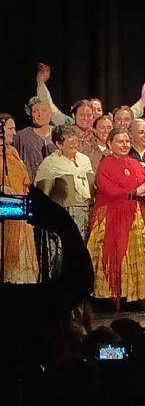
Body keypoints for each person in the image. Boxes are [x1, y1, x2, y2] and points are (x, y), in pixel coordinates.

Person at [87, 126, 145, 304]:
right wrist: (134, 192)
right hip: (113, 218)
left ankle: (138, 294)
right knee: (116, 255)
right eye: (120, 142)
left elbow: (144, 180)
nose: (124, 145)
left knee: (142, 253)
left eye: (127, 141)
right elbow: (107, 190)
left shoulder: (134, 163)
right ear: (109, 143)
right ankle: (113, 294)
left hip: (136, 216)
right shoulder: (105, 164)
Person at [33, 125, 95, 278]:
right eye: (69, 141)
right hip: (63, 217)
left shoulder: (84, 160)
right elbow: (42, 196)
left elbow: (92, 189)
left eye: (75, 139)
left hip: (85, 216)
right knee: (63, 260)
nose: (74, 143)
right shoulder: (50, 164)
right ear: (59, 144)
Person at [2, 113, 39, 284]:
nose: (14, 132)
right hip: (4, 207)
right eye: (10, 128)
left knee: (20, 248)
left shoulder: (13, 152)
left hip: (19, 206)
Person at [13, 97, 56, 182]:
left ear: (51, 112)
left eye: (44, 110)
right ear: (30, 114)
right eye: (35, 111)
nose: (40, 115)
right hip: (30, 185)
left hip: (56, 186)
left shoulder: (58, 133)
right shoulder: (21, 136)